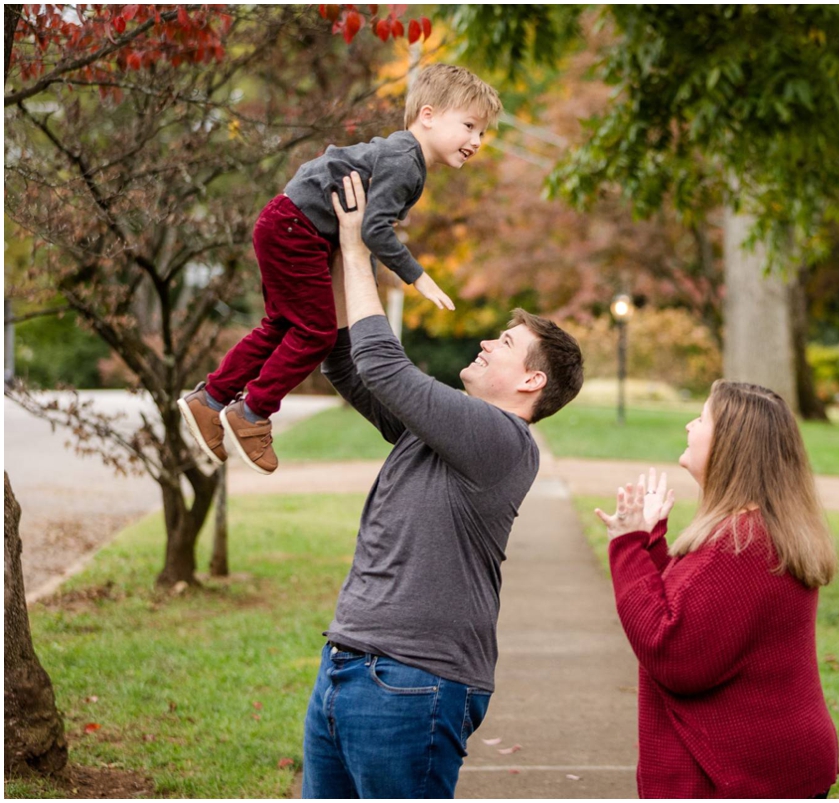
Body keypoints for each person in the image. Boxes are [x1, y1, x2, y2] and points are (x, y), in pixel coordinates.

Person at [300, 171, 583, 798]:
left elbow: (383, 363)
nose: (486, 342)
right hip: (347, 663)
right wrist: (324, 253)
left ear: (532, 382)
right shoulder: (439, 432)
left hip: (412, 683)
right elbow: (348, 363)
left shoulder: (500, 440)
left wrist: (356, 245)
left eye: (505, 343)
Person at [178, 63, 500, 475]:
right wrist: (416, 276)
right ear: (429, 115)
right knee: (316, 335)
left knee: (281, 326)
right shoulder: (406, 161)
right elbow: (373, 229)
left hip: (286, 222)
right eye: (469, 125)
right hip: (297, 230)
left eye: (482, 133)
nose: (476, 140)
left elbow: (360, 223)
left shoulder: (402, 156)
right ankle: (253, 414)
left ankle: (210, 401)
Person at [595, 380, 839, 798]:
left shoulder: (741, 545)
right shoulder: (753, 531)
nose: (690, 424)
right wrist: (651, 541)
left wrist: (629, 547)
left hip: (740, 776)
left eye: (703, 417)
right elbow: (690, 615)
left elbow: (673, 655)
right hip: (765, 765)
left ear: (731, 444)